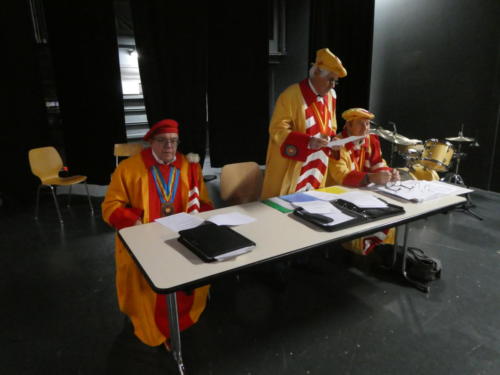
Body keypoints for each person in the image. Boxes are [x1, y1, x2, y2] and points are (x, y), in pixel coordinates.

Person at [102, 118, 213, 347]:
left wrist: (203, 217)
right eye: (162, 141)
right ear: (151, 142)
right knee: (148, 287)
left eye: (173, 141)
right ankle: (155, 326)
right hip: (145, 240)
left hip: (181, 238)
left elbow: (203, 202)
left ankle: (181, 320)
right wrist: (134, 222)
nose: (168, 147)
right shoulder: (128, 169)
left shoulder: (188, 166)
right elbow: (110, 207)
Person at [261, 48, 347, 199]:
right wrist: (308, 142)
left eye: (335, 81)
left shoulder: (331, 96)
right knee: (283, 207)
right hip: (292, 164)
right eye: (330, 80)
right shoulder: (290, 96)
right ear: (316, 73)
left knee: (312, 203)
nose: (333, 85)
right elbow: (277, 130)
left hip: (318, 163)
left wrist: (334, 140)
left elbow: (331, 126)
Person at [327, 108, 400, 254]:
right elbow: (341, 175)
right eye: (360, 123)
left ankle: (381, 249)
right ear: (348, 125)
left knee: (390, 211)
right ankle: (362, 246)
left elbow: (378, 163)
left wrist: (389, 173)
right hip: (337, 194)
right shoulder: (337, 144)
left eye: (368, 124)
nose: (366, 128)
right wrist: (370, 178)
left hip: (361, 191)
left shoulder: (371, 141)